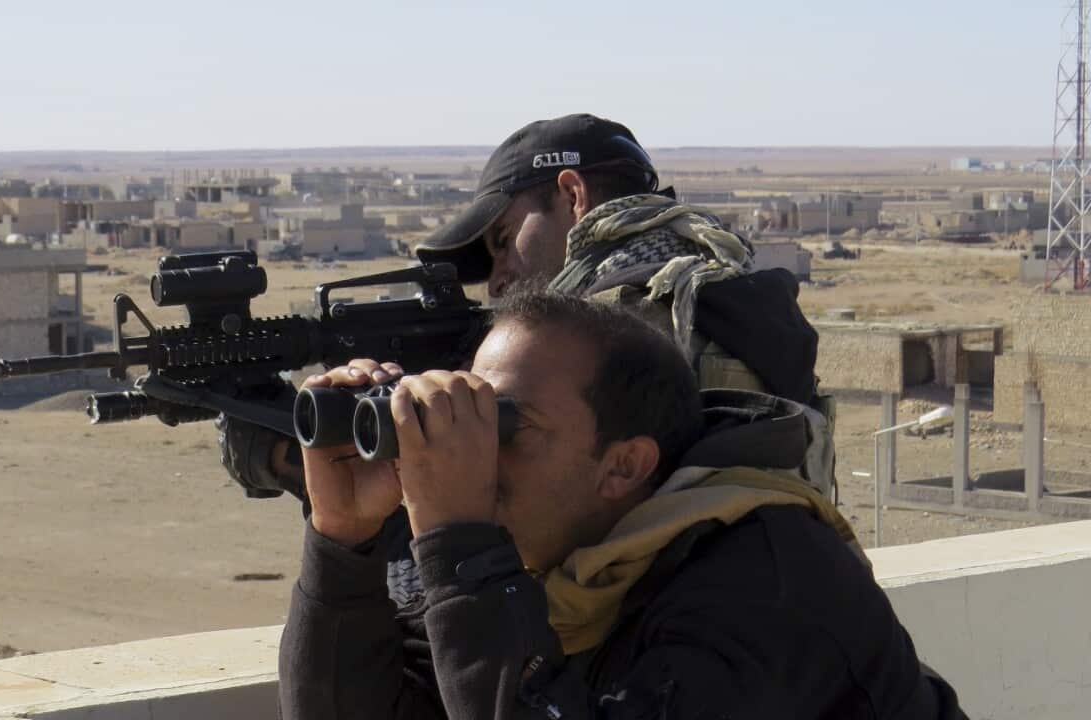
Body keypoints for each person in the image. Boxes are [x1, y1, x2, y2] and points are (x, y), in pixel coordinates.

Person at [279, 290, 964, 719]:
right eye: (473, 415)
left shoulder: (761, 585)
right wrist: (344, 538)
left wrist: (459, 543)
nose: (476, 453)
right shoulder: (553, 565)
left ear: (624, 465)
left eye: (505, 426)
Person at [219, 112, 831, 504]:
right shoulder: (725, 286)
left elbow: (490, 531)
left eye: (504, 241)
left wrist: (297, 446)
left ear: (572, 195)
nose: (496, 281)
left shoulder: (625, 321)